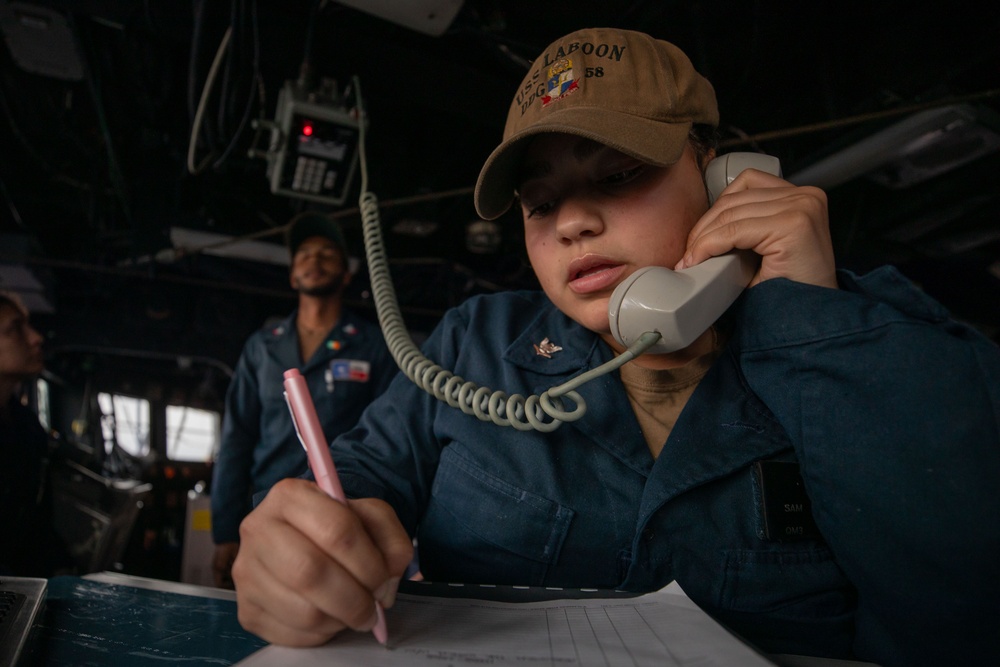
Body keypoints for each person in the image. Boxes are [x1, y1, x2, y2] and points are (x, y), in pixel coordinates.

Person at [229, 28, 1000, 666]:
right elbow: (360, 480)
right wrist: (306, 547)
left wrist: (808, 322)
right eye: (541, 203)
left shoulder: (876, 336)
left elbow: (961, 606)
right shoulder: (474, 345)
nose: (572, 223)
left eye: (620, 173)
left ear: (726, 174)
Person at [210, 212, 397, 588]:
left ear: (346, 274)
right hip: (265, 509)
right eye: (305, 254)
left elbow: (390, 437)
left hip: (339, 514)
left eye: (327, 253)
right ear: (293, 275)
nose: (314, 259)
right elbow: (237, 437)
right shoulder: (263, 347)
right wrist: (226, 529)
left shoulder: (373, 344)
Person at [0, 290, 75, 577]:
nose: (35, 337)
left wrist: (61, 567)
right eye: (15, 329)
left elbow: (35, 525)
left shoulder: (27, 427)